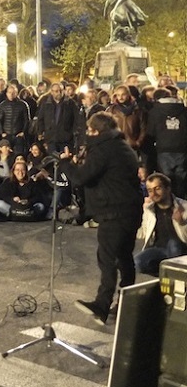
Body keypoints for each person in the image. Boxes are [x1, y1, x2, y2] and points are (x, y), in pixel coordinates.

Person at [59, 112, 143, 325]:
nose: (88, 134)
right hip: (131, 211)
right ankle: (127, 303)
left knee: (106, 258)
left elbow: (81, 177)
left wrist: (66, 164)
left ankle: (101, 305)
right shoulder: (123, 147)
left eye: (89, 130)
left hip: (113, 213)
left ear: (97, 130)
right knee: (124, 257)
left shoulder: (103, 149)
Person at [135, 173, 187, 276]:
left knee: (173, 244)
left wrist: (182, 223)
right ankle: (165, 276)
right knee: (137, 263)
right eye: (150, 191)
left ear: (168, 188)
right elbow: (141, 234)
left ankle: (176, 277)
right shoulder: (149, 210)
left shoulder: (184, 207)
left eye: (157, 188)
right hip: (158, 248)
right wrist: (137, 213)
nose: (153, 193)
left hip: (180, 251)